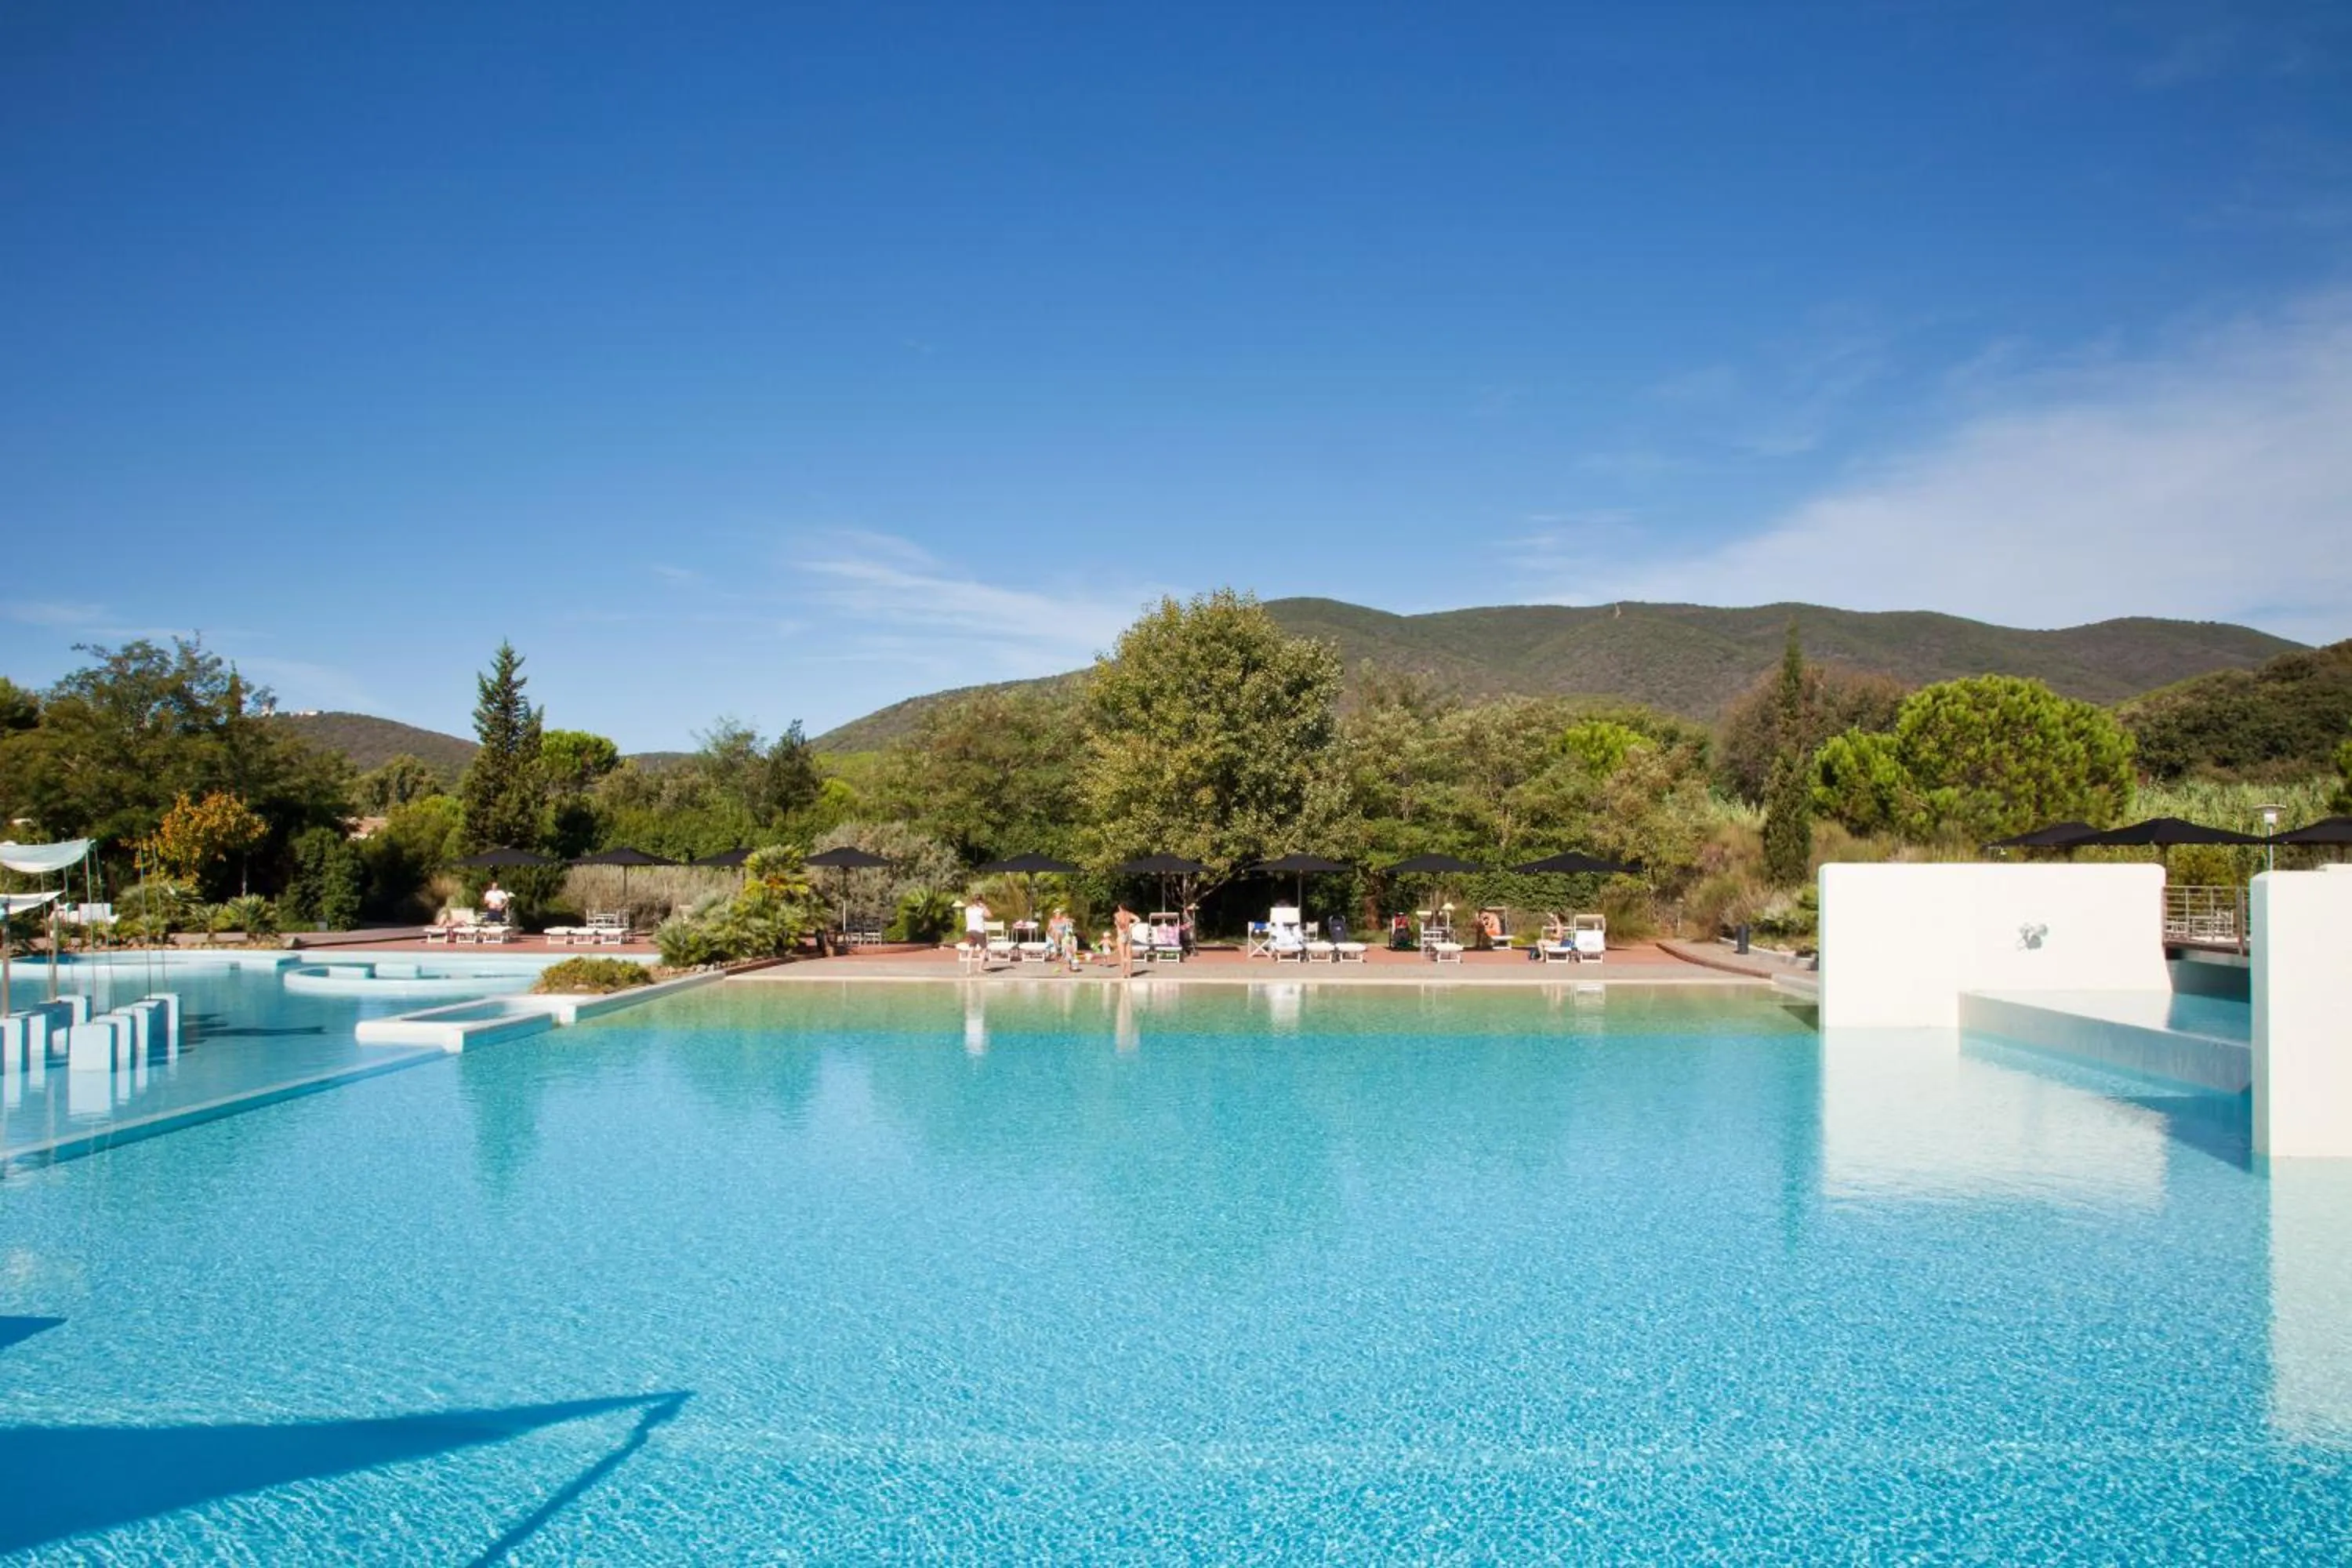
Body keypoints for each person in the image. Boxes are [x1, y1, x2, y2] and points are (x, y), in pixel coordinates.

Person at [1047, 906, 1077, 971]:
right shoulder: (1052, 920)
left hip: (1062, 934)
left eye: (1059, 913)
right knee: (1055, 932)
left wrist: (1069, 921)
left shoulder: (1063, 919)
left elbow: (1074, 921)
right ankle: (1058, 949)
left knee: (1057, 932)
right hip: (1053, 934)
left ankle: (1057, 951)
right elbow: (1049, 929)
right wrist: (1049, 932)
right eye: (1057, 913)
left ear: (1060, 914)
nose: (1058, 914)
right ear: (1054, 914)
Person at [1112, 902, 1138, 977]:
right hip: (1128, 934)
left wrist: (1117, 924)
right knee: (1129, 956)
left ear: (1120, 907)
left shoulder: (1117, 915)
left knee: (1122, 956)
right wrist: (1131, 926)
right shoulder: (1129, 914)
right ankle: (1129, 973)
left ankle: (1123, 973)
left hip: (1121, 934)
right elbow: (1138, 919)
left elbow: (1120, 924)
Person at [964, 895, 991, 962]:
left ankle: (968, 968)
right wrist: (984, 907)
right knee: (984, 949)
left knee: (971, 949)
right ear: (980, 901)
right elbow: (990, 915)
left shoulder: (968, 909)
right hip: (979, 931)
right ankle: (980, 967)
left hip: (970, 931)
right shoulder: (980, 910)